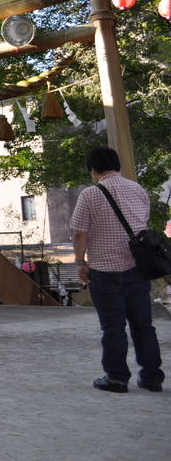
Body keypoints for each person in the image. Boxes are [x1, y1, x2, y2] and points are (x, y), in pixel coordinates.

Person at [70, 146, 164, 393]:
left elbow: (80, 233)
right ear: (117, 166)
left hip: (104, 272)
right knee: (144, 325)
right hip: (137, 268)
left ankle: (117, 378)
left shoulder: (90, 194)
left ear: (93, 170)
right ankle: (152, 377)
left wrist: (80, 263)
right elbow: (141, 223)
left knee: (113, 327)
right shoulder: (138, 190)